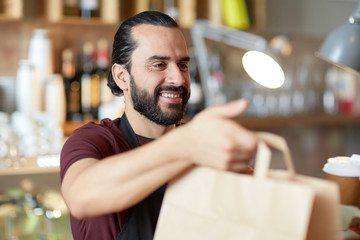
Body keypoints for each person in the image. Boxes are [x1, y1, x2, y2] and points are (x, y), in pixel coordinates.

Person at [60, 11, 257, 240]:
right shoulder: (95, 140)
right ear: (122, 76)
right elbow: (82, 197)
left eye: (182, 65)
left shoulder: (202, 144)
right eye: (159, 64)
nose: (178, 79)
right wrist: (187, 144)